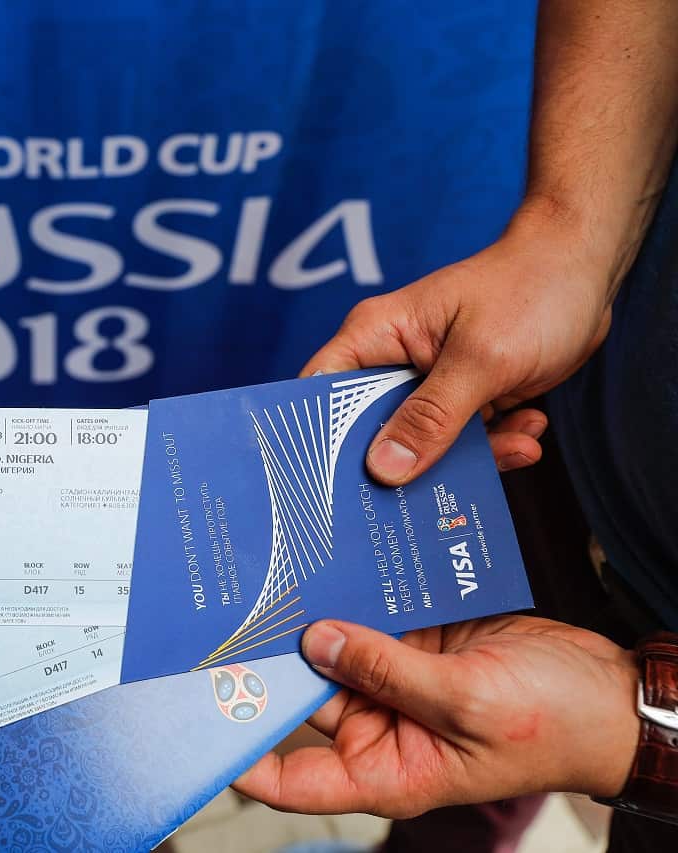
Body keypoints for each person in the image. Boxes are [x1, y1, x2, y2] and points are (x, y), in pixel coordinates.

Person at [233, 0, 678, 849]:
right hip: (557, 439)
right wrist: (569, 234)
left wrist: (639, 730)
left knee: (468, 736)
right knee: (441, 746)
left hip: (651, 759)